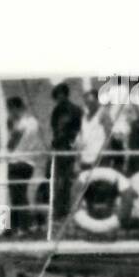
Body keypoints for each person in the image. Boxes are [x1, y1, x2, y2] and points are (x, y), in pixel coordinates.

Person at [6, 96, 48, 232]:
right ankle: (15, 226)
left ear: (15, 108)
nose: (9, 113)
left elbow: (11, 144)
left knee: (15, 196)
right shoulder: (34, 123)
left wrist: (9, 129)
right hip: (30, 163)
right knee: (21, 194)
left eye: (10, 110)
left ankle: (19, 226)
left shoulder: (22, 124)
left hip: (16, 161)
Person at [49, 83, 83, 219]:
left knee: (69, 180)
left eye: (59, 95)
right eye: (56, 97)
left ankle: (68, 209)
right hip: (59, 148)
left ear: (65, 94)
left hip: (70, 148)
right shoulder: (56, 111)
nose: (58, 99)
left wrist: (73, 144)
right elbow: (54, 130)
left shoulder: (75, 110)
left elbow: (80, 130)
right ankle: (59, 210)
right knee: (58, 180)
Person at [75, 88, 114, 171]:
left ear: (97, 100)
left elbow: (109, 137)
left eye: (91, 102)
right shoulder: (84, 117)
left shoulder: (103, 114)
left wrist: (102, 155)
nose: (88, 104)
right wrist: (78, 159)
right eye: (86, 102)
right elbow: (81, 138)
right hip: (85, 159)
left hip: (100, 159)